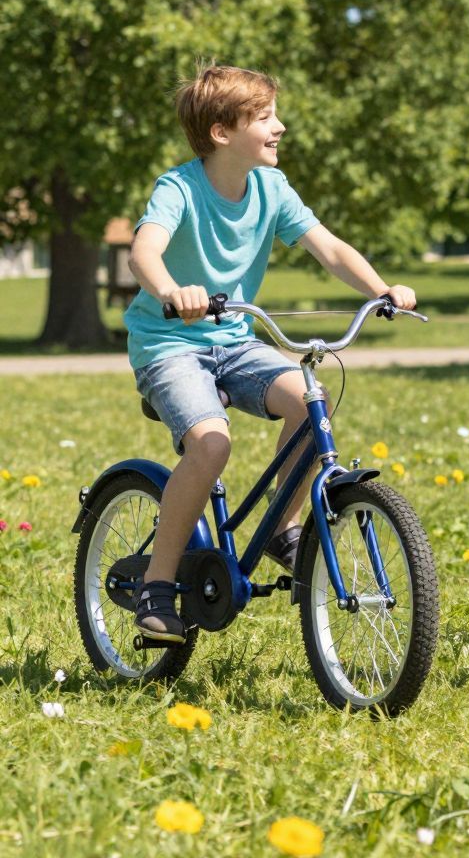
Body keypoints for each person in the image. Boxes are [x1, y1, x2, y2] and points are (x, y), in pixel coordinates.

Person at [126, 64, 417, 643]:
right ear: (221, 133)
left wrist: (380, 289)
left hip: (234, 342)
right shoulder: (179, 188)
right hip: (170, 344)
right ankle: (156, 585)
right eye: (264, 118)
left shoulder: (271, 189)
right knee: (212, 444)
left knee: (311, 404)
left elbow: (327, 247)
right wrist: (170, 292)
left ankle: (284, 529)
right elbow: (144, 251)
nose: (279, 127)